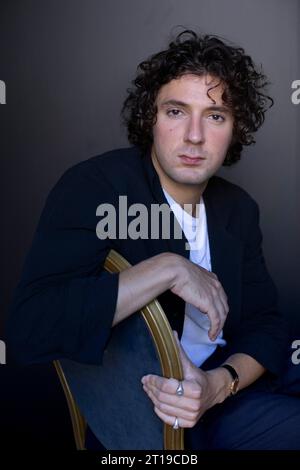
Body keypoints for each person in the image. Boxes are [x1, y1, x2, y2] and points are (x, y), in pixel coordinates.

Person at [8, 30, 300, 450]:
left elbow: (265, 324)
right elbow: (31, 327)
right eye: (177, 111)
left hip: (223, 380)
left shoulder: (237, 208)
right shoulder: (95, 188)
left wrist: (221, 383)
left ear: (235, 129)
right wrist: (167, 268)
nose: (195, 136)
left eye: (215, 116)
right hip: (155, 414)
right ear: (151, 118)